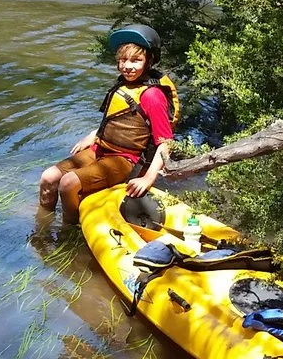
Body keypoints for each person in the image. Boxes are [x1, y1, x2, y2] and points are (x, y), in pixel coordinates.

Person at [36, 23, 181, 227]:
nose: (127, 66)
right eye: (122, 60)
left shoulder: (153, 96)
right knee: (48, 177)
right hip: (101, 149)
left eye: (135, 60)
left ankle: (68, 230)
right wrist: (94, 134)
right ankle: (42, 224)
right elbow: (120, 121)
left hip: (127, 160)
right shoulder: (124, 84)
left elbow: (165, 143)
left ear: (149, 60)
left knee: (68, 183)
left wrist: (148, 178)